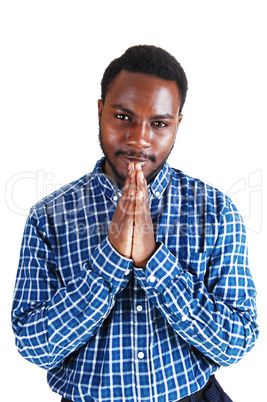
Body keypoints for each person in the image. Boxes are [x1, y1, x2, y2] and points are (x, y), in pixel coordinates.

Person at [11, 45, 259, 402]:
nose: (139, 138)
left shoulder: (216, 211)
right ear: (100, 112)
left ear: (177, 125)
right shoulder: (48, 217)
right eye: (123, 116)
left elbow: (236, 342)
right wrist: (112, 258)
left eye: (159, 123)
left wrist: (152, 260)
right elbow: (35, 347)